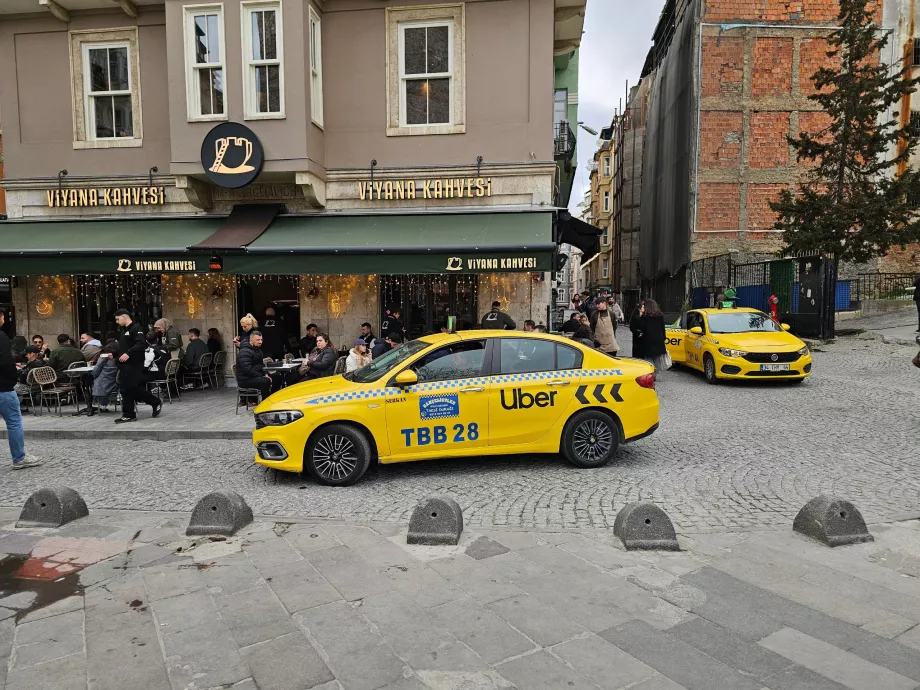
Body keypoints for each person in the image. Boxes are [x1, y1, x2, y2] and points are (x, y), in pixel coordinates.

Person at [0, 312, 42, 469]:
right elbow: (5, 361)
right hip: (3, 387)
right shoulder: (2, 336)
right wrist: (12, 378)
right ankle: (19, 457)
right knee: (14, 422)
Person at [114, 309, 162, 423]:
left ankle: (154, 402)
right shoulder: (123, 331)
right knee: (126, 389)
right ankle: (129, 414)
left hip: (135, 364)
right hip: (125, 365)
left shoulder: (136, 328)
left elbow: (141, 344)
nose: (116, 322)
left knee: (131, 387)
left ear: (124, 317)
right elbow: (124, 347)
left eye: (117, 319)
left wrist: (128, 353)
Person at [236, 330, 274, 401]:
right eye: (258, 340)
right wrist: (262, 376)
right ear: (251, 340)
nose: (260, 342)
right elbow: (247, 370)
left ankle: (273, 401)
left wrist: (266, 374)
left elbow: (261, 365)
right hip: (245, 379)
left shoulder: (257, 349)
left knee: (276, 377)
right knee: (265, 381)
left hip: (254, 376)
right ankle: (265, 403)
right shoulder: (244, 351)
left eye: (261, 339)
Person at [631, 299, 668, 371]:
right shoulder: (660, 315)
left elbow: (641, 327)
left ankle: (652, 373)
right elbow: (662, 328)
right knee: (656, 358)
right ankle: (655, 372)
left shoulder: (645, 316)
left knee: (648, 359)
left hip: (647, 341)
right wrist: (663, 338)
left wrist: (640, 316)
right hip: (658, 341)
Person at [90, 339, 119, 415]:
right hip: (115, 384)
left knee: (91, 380)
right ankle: (103, 405)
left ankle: (94, 405)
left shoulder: (103, 358)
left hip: (102, 385)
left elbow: (95, 371)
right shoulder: (118, 358)